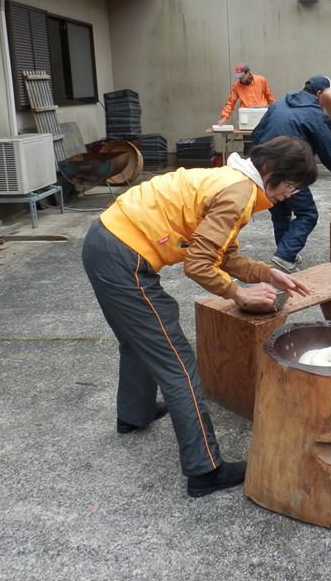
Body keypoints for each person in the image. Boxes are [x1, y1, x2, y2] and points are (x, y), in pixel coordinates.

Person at [81, 137, 316, 498]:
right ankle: (205, 470)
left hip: (104, 240)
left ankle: (134, 414)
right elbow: (199, 264)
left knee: (138, 339)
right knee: (178, 363)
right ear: (270, 172)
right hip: (122, 255)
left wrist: (266, 274)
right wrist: (238, 293)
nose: (290, 194)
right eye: (291, 185)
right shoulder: (238, 193)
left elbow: (222, 254)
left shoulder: (234, 182)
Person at [251, 75, 331, 272]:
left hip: (266, 171)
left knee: (281, 212)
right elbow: (329, 148)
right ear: (319, 93)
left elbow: (257, 134)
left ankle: (284, 251)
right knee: (307, 214)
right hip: (291, 170)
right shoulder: (315, 113)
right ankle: (284, 255)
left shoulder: (279, 104)